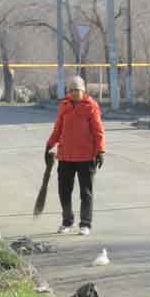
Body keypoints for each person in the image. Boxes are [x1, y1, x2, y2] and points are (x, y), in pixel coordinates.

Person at [45, 75, 105, 236]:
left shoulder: (90, 106)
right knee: (64, 191)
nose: (73, 93)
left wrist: (100, 151)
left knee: (86, 192)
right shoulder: (64, 105)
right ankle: (67, 221)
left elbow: (98, 131)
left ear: (83, 90)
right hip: (65, 156)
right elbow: (58, 128)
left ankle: (85, 223)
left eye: (76, 90)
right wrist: (50, 144)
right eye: (71, 90)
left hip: (86, 157)